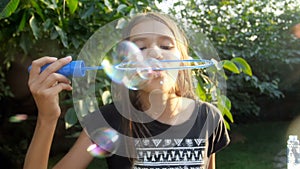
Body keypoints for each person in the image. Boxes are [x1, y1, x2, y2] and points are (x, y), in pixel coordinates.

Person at [24, 12, 230, 169]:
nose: (154, 54)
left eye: (167, 46)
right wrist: (47, 117)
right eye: (140, 48)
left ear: (184, 59)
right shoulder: (109, 121)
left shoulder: (208, 117)